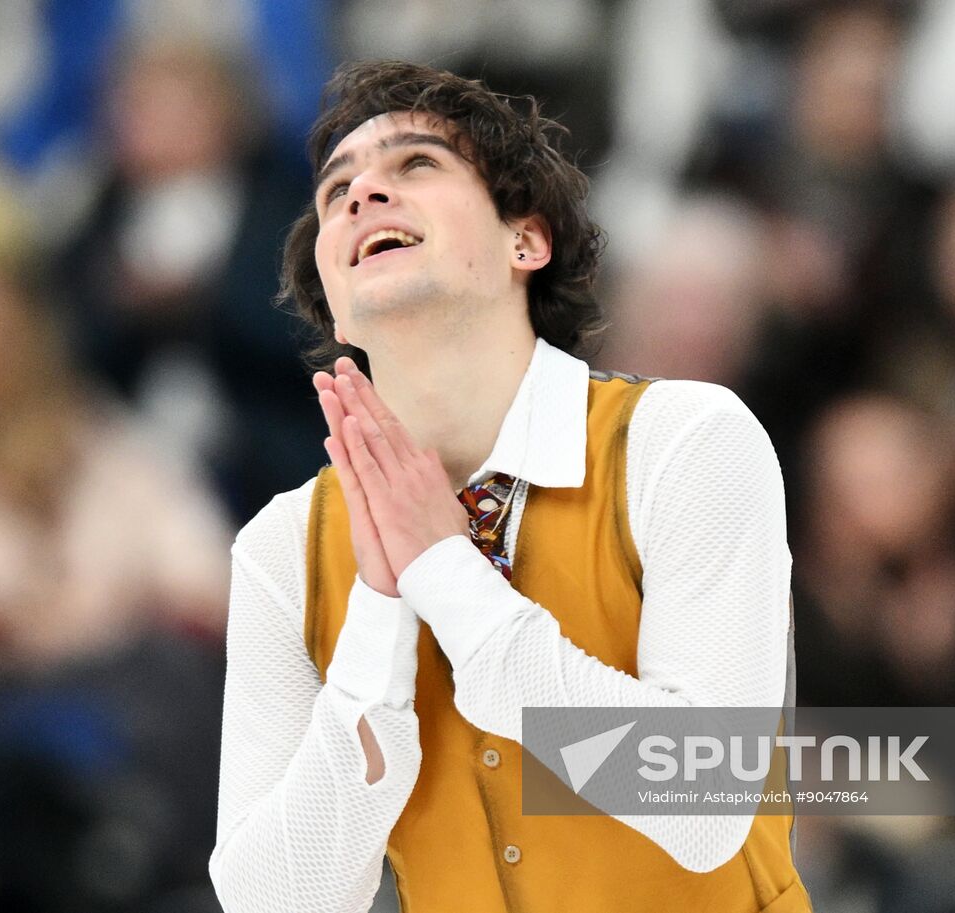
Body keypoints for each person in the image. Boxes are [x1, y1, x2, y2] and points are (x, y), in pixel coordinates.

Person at [209, 61, 808, 912]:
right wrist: (382, 608)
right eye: (338, 187)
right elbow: (273, 901)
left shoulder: (685, 441)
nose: (361, 195)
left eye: (416, 165)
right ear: (338, 306)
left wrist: (446, 575)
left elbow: (704, 798)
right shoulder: (285, 549)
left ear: (526, 240)